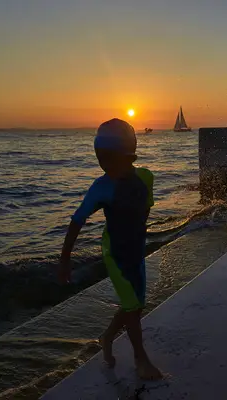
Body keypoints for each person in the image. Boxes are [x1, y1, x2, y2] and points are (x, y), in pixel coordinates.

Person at [59, 119, 162, 380]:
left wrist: (137, 229)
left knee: (135, 306)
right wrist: (65, 259)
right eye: (101, 160)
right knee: (132, 305)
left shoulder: (145, 177)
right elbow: (77, 221)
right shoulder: (100, 188)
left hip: (136, 249)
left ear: (129, 156)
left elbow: (145, 208)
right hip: (115, 253)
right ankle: (141, 360)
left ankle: (106, 337)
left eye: (111, 159)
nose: (105, 165)